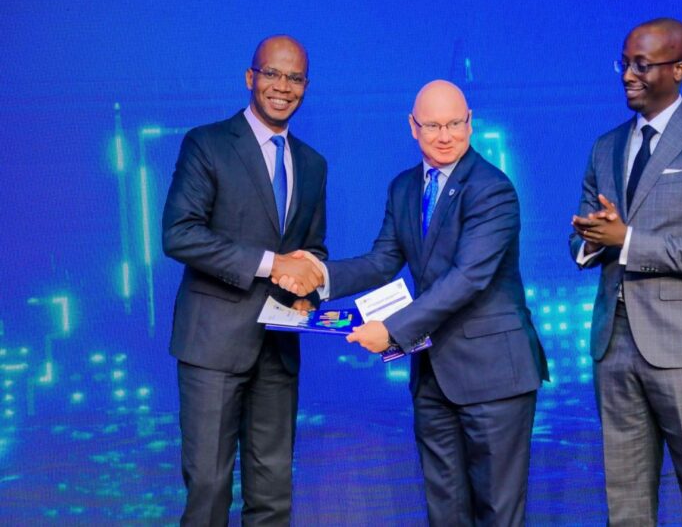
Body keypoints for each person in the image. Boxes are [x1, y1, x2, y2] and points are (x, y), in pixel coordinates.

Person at [284, 80, 549, 526]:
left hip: (494, 379)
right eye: (432, 125)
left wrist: (391, 331)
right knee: (444, 512)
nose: (445, 135)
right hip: (432, 377)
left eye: (455, 124)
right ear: (412, 127)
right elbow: (383, 259)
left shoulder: (492, 189)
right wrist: (318, 278)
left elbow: (466, 279)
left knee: (498, 513)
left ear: (470, 122)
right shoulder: (404, 188)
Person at [569, 18, 682, 526]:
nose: (628, 74)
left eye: (642, 65)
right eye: (624, 62)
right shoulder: (605, 147)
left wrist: (627, 241)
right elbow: (583, 237)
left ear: (679, 69)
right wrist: (590, 239)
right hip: (614, 344)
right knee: (625, 505)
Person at [162, 35, 327, 526]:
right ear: (249, 76)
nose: (282, 86)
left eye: (294, 78)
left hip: (278, 349)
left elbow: (313, 249)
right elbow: (180, 234)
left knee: (273, 493)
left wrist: (308, 289)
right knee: (210, 491)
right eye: (272, 73)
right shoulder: (206, 143)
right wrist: (272, 265)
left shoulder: (314, 164)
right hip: (212, 348)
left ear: (305, 86)